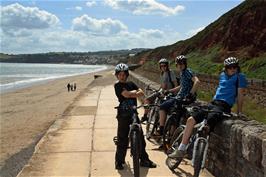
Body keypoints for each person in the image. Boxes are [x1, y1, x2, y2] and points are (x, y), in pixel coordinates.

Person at [168, 57, 247, 159]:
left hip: (224, 106)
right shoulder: (222, 75)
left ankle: (197, 148)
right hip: (213, 103)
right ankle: (181, 150)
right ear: (225, 68)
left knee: (208, 123)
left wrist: (239, 112)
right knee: (191, 120)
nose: (232, 69)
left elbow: (240, 95)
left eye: (235, 67)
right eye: (229, 67)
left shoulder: (240, 77)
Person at [114, 63, 157, 170]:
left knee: (141, 138)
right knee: (122, 138)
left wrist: (131, 93)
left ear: (127, 74)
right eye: (120, 74)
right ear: (117, 75)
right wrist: (134, 93)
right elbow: (127, 95)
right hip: (123, 114)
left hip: (133, 113)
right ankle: (119, 161)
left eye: (124, 74)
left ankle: (144, 160)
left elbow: (141, 92)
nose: (122, 76)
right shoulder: (117, 85)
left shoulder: (131, 83)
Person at [157, 55, 200, 136]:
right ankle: (168, 134)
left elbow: (197, 81)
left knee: (163, 107)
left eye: (182, 64)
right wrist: (169, 91)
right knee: (174, 114)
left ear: (185, 64)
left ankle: (162, 128)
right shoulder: (182, 73)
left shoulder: (187, 72)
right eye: (178, 64)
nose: (180, 65)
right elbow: (181, 86)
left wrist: (191, 94)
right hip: (179, 97)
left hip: (183, 98)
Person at [141, 58, 177, 123]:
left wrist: (173, 93)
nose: (163, 67)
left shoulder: (170, 73)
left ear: (167, 66)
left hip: (169, 93)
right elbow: (162, 85)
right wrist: (157, 90)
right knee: (147, 100)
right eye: (161, 66)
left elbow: (175, 84)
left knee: (162, 108)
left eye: (164, 65)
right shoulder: (162, 73)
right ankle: (145, 116)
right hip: (161, 92)